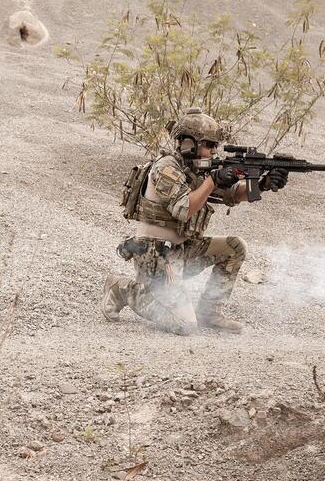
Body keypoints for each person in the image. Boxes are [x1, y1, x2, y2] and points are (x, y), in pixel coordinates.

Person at [100, 108, 288, 335]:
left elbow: (232, 195)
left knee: (235, 247)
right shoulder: (166, 168)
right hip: (154, 254)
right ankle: (121, 288)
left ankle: (210, 311)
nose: (213, 151)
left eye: (214, 145)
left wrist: (264, 184)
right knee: (184, 325)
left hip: (183, 251)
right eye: (209, 144)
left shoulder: (197, 170)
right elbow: (184, 209)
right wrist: (211, 180)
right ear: (189, 143)